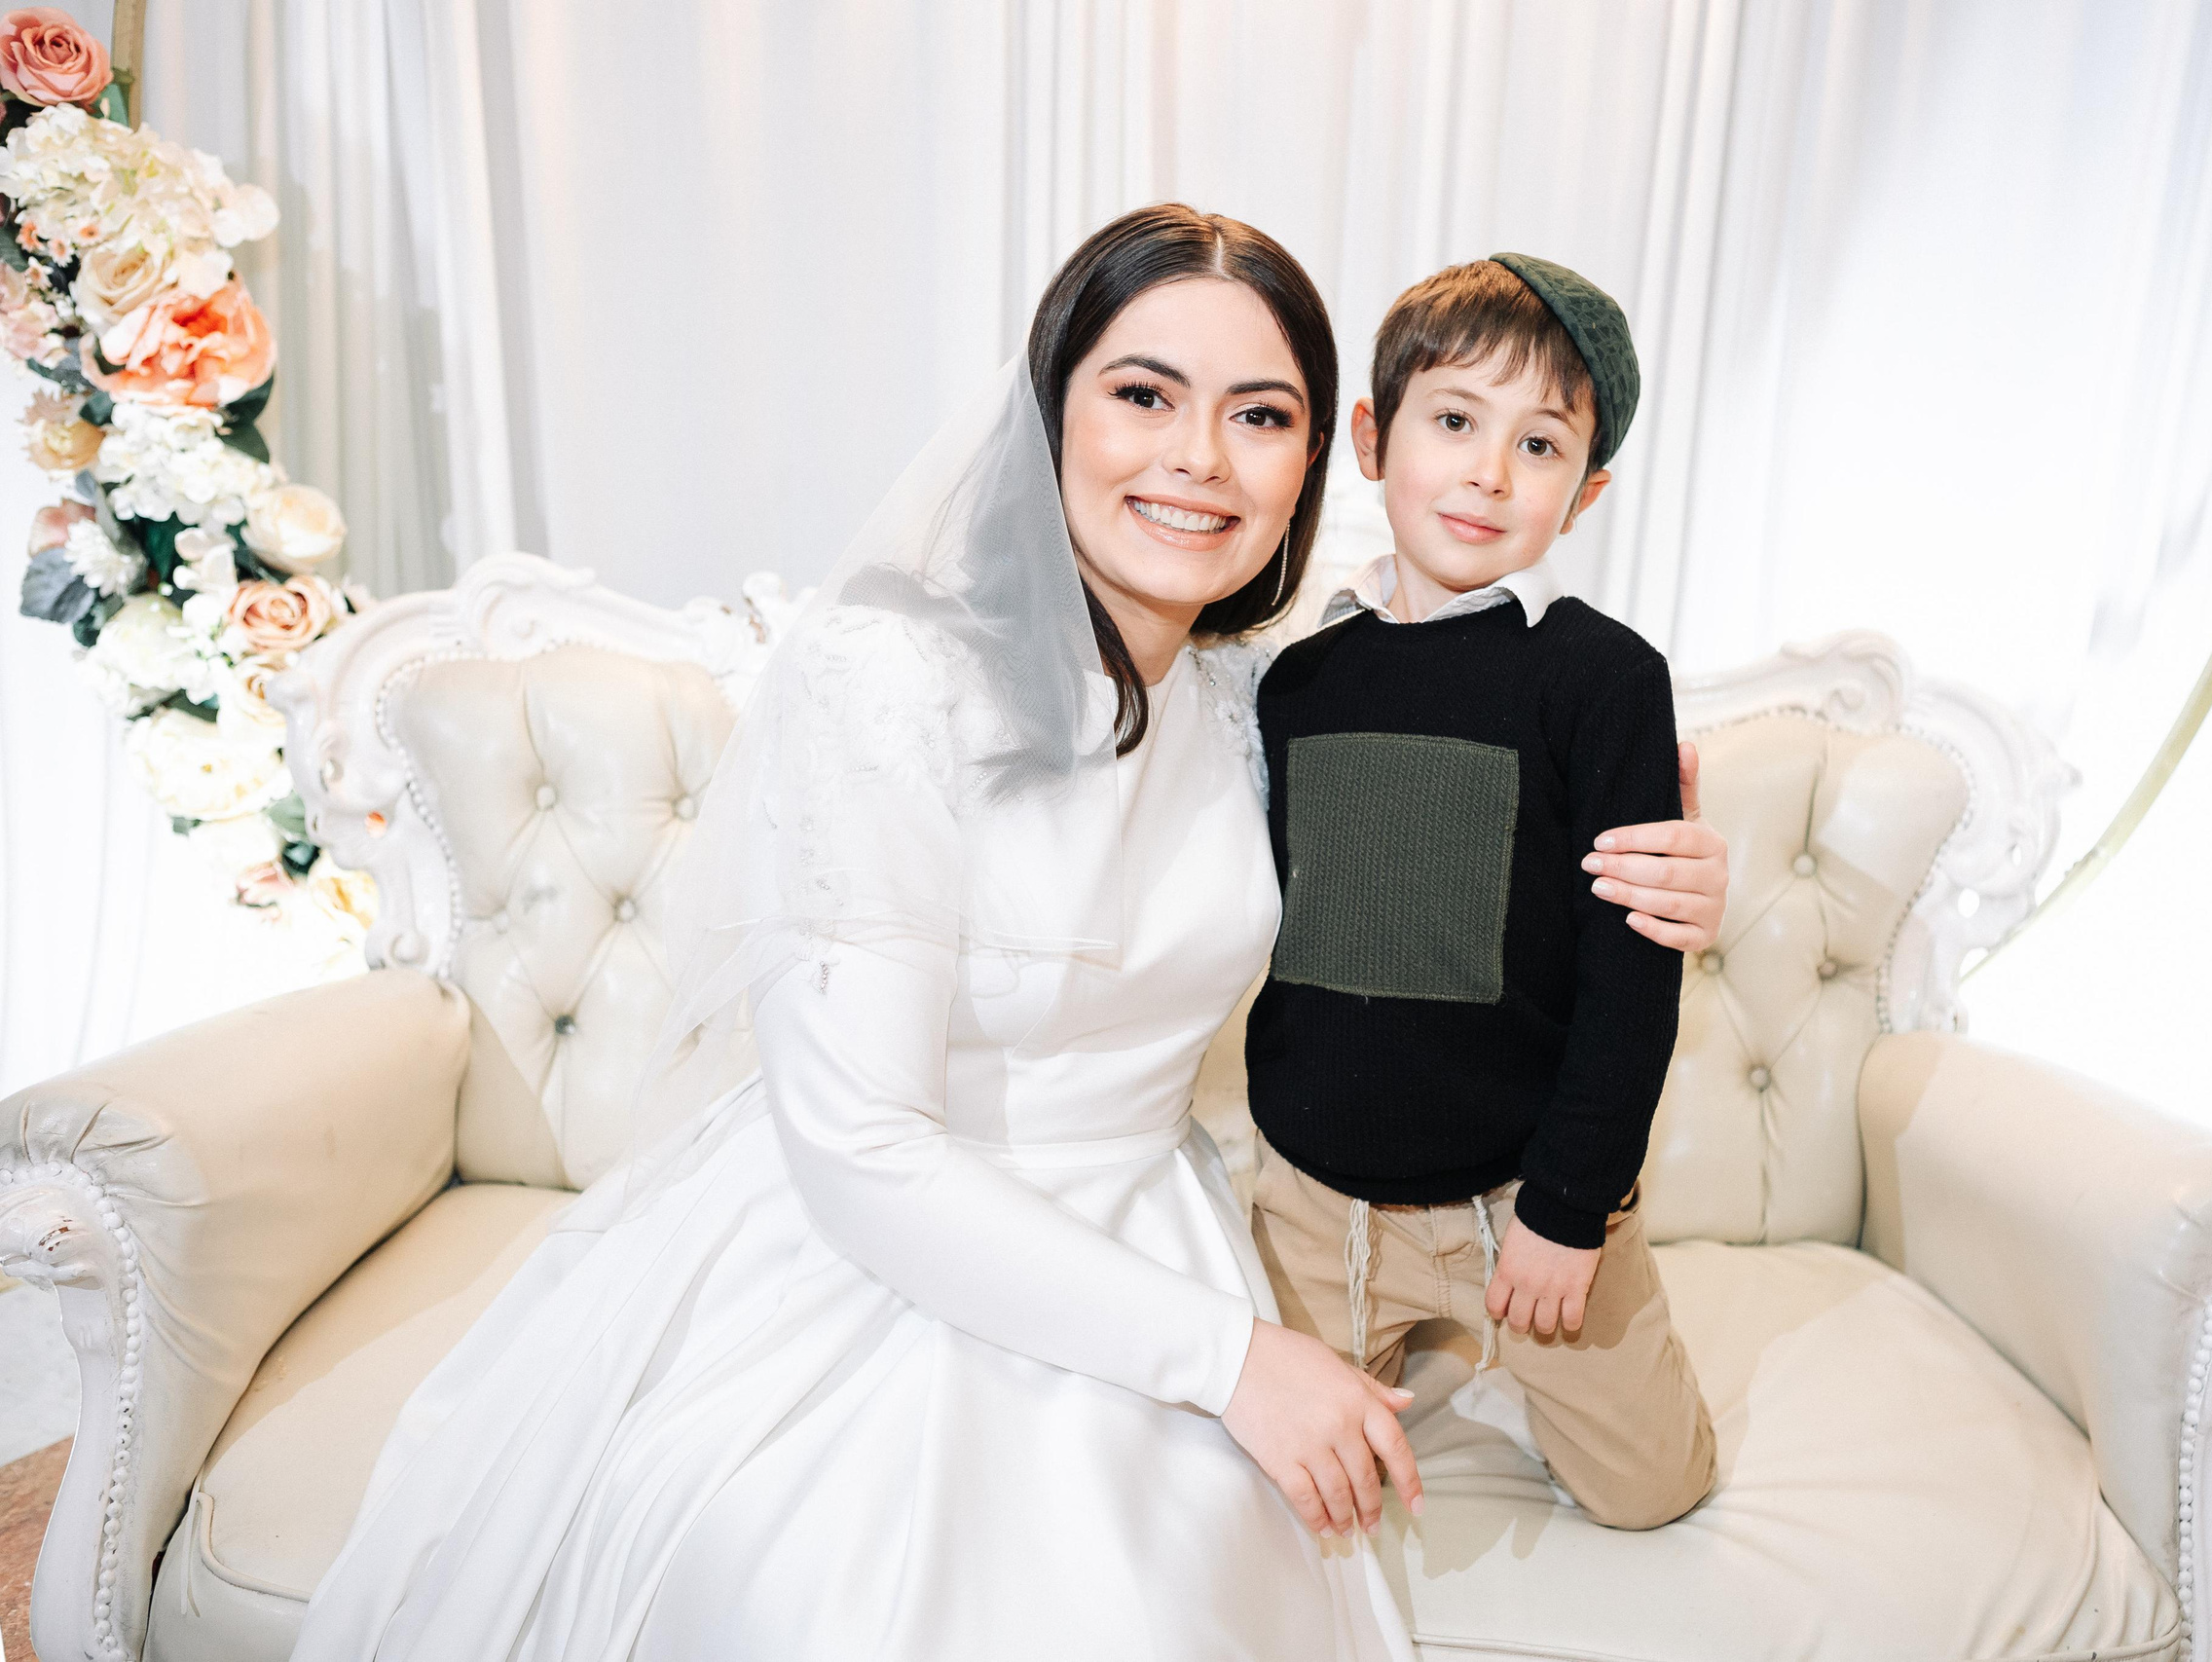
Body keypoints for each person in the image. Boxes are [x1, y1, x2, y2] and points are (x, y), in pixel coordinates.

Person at [291, 208, 1727, 1661]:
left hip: (1161, 1219)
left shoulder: (1253, 698)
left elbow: (1444, 876)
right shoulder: (888, 679)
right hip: (875, 1254)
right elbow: (861, 1147)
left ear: (1312, 458)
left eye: (1259, 414)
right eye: (1143, 394)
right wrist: (1232, 1361)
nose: (1199, 458)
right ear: (1050, 410)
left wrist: (1660, 878)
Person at [1249, 255, 1714, 1532]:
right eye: (1454, 421)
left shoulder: (1601, 679)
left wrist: (1569, 1211)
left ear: (1587, 492)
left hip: (1525, 1197)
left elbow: (1634, 976)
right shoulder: (1290, 680)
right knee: (1286, 1512)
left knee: (1652, 1491)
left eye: (1542, 444)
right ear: (1371, 438)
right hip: (1317, 1202)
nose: (1488, 473)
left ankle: (1516, 1354)